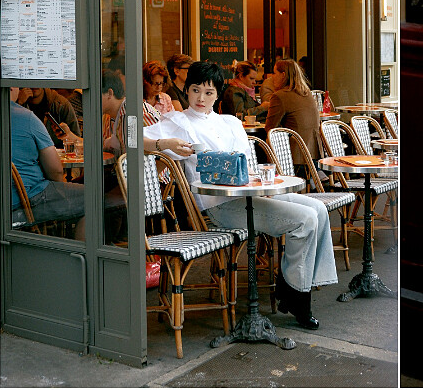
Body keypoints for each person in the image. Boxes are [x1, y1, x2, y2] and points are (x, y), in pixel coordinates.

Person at [144, 60, 338, 329]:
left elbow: (248, 166)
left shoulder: (230, 123)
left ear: (217, 94)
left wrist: (263, 186)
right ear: (186, 90)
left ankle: (292, 287)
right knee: (304, 220)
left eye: (209, 92)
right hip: (218, 207)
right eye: (195, 90)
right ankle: (297, 297)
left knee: (317, 210)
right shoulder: (177, 122)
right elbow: (127, 139)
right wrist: (163, 143)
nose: (201, 98)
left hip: (249, 196)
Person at [8, 87, 89, 239]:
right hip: (31, 199)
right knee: (92, 198)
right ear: (13, 87)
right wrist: (60, 190)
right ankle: (81, 256)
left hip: (2, 202)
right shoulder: (27, 118)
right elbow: (56, 170)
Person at [263, 59, 320, 159]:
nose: (272, 77)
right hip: (314, 154)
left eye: (274, 73)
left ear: (283, 75)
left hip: (293, 157)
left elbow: (270, 128)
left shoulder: (279, 96)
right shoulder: (307, 93)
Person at [142, 61, 175, 126]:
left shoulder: (165, 98)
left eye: (161, 83)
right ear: (145, 81)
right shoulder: (137, 101)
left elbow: (173, 122)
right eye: (156, 83)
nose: (159, 87)